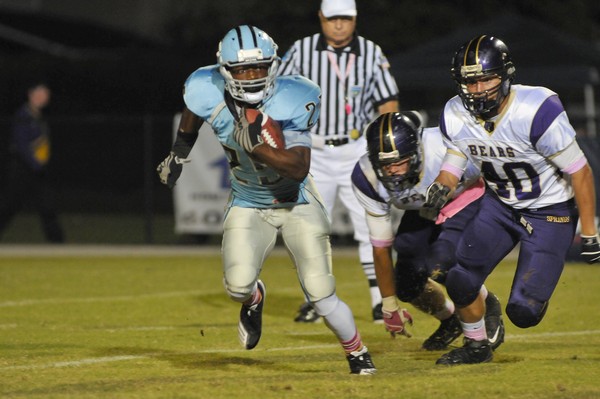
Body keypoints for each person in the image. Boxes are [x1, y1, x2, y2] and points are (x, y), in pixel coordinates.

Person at [156, 25, 377, 375]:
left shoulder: (293, 95)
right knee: (237, 286)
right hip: (248, 201)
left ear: (273, 65)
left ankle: (357, 352)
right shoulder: (205, 86)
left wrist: (256, 146)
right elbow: (193, 110)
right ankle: (255, 297)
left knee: (321, 293)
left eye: (259, 67)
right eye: (243, 69)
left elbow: (299, 168)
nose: (251, 77)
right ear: (225, 70)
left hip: (297, 202)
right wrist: (179, 154)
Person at [421, 35, 600, 365]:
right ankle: (477, 347)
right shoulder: (455, 113)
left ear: (505, 76)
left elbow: (581, 171)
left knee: (524, 312)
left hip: (550, 212)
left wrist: (589, 230)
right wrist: (441, 187)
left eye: (486, 79)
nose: (477, 89)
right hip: (500, 205)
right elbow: (455, 159)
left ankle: (533, 290)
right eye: (469, 82)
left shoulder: (535, 109)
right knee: (460, 279)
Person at [278, 0, 400, 323]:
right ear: (321, 17)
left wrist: (385, 144)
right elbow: (275, 90)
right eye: (333, 19)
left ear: (355, 18)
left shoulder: (371, 52)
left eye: (345, 18)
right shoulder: (302, 50)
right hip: (313, 149)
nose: (339, 25)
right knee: (310, 227)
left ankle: (380, 300)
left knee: (371, 225)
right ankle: (315, 301)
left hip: (356, 147)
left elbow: (387, 101)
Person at [352, 111, 505, 350]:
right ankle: (449, 319)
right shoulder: (366, 177)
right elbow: (381, 246)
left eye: (399, 161)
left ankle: (486, 304)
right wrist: (389, 303)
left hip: (464, 199)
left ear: (417, 152)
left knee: (441, 261)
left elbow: (491, 173)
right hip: (424, 209)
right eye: (385, 164)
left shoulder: (443, 147)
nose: (392, 171)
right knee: (406, 283)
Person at [0, 82, 65, 243]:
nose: (42, 98)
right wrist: (36, 164)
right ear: (30, 94)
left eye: (45, 95)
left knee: (48, 205)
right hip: (22, 168)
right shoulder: (23, 116)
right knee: (9, 206)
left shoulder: (39, 117)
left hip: (37, 168)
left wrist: (41, 163)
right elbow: (21, 144)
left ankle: (58, 244)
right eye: (39, 94)